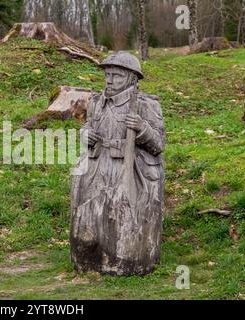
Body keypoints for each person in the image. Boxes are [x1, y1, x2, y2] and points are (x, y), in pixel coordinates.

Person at [70, 51, 166, 276]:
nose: (109, 80)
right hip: (97, 164)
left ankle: (127, 260)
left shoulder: (145, 105)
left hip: (129, 168)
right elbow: (89, 128)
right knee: (89, 212)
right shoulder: (96, 102)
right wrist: (85, 135)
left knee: (122, 217)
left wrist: (142, 128)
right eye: (107, 75)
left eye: (117, 76)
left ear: (132, 79)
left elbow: (159, 144)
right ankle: (89, 258)